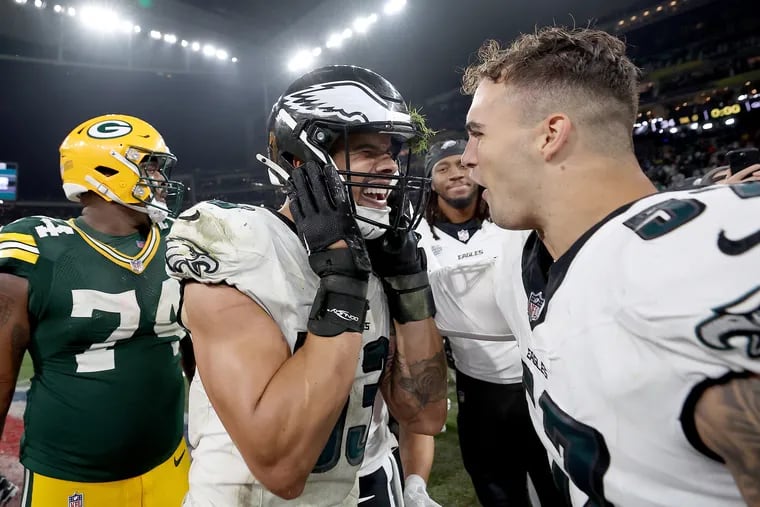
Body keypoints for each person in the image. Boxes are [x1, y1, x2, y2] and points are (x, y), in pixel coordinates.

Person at [447, 26, 760, 506]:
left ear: (550, 135)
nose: (466, 160)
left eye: (477, 135)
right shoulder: (529, 252)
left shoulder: (686, 266)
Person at [166, 65, 447, 506]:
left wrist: (410, 284)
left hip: (354, 489)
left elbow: (425, 414)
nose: (391, 167)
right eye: (367, 149)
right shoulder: (242, 245)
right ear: (302, 160)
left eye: (392, 151)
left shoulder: (377, 252)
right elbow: (280, 467)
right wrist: (343, 282)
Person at [0, 114, 191, 506]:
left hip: (172, 460)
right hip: (70, 475)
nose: (160, 177)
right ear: (108, 169)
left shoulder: (181, 241)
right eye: (150, 164)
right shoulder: (39, 247)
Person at [408, 138, 562, 507]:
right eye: (442, 167)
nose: (455, 173)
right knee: (497, 488)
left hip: (538, 374)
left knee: (558, 484)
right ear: (430, 181)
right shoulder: (417, 239)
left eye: (462, 163)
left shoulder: (514, 221)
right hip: (477, 386)